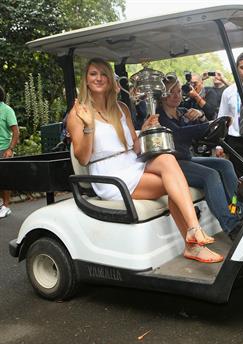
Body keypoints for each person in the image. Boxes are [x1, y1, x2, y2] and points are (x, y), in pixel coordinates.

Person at [67, 58, 223, 263]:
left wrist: (147, 130)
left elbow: (136, 147)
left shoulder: (121, 108)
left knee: (167, 158)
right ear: (86, 80)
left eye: (103, 74)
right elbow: (84, 158)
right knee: (171, 184)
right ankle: (193, 244)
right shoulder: (78, 114)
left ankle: (194, 230)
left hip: (132, 162)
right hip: (110, 174)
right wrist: (88, 126)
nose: (99, 78)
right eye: (93, 74)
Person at [158, 75, 243, 237]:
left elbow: (203, 127)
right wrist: (206, 124)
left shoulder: (183, 113)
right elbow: (179, 134)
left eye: (178, 92)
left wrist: (202, 117)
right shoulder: (161, 117)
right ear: (162, 95)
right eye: (171, 93)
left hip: (186, 159)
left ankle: (237, 210)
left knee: (225, 165)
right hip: (172, 164)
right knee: (210, 175)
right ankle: (230, 225)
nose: (177, 96)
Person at [0, 85, 19, 219]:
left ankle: (6, 206)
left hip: (3, 149)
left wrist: (10, 149)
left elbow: (16, 131)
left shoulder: (7, 110)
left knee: (5, 179)